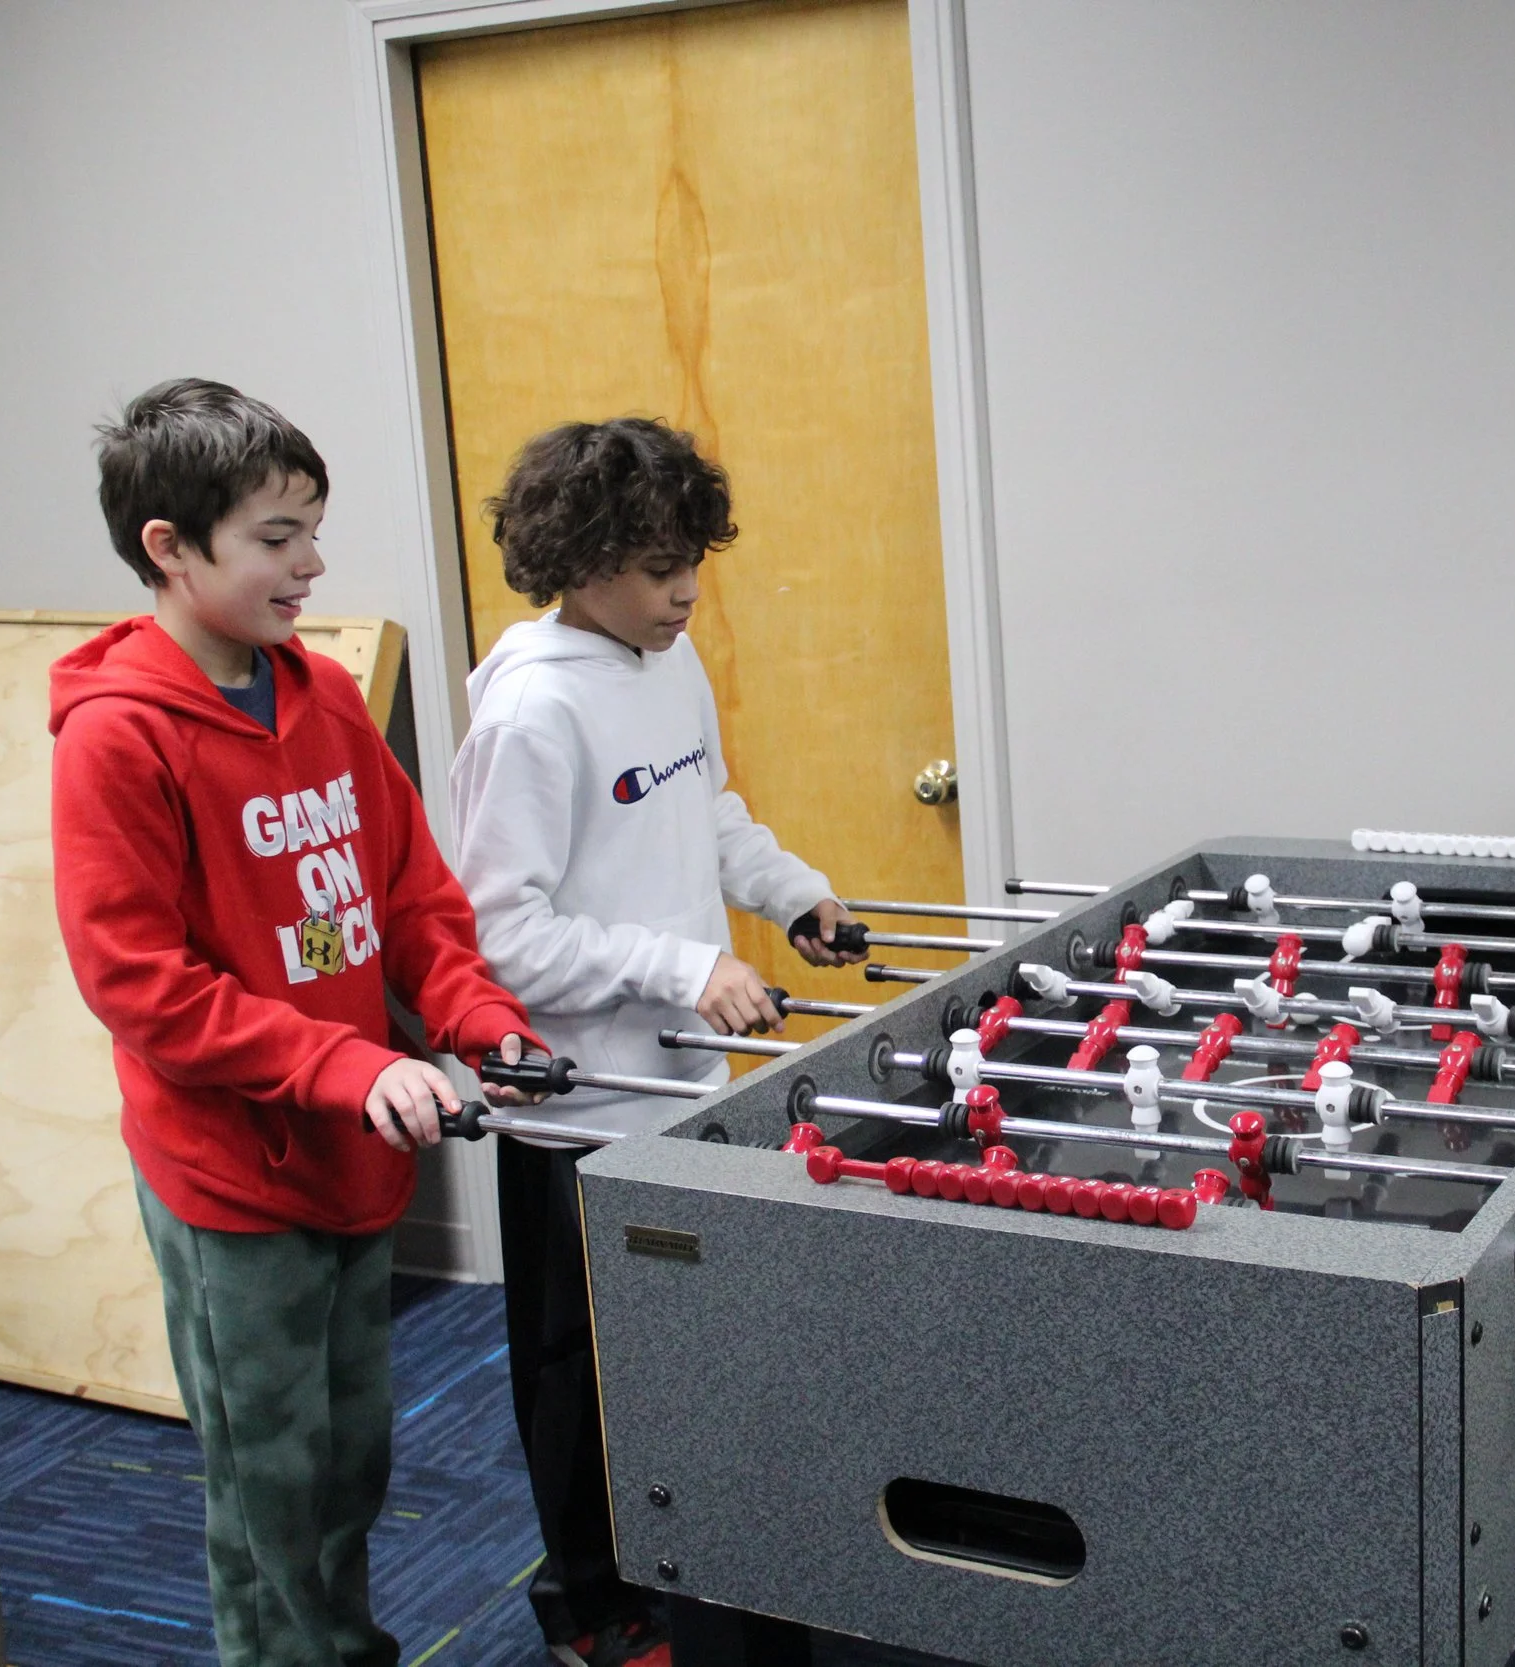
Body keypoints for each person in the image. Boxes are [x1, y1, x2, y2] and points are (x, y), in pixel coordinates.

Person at [52, 378, 544, 1667]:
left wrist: (476, 1017)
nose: (312, 563)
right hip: (231, 1174)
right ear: (170, 544)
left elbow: (409, 893)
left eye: (312, 529)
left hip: (351, 1151)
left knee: (351, 1450)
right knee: (267, 1474)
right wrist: (340, 1059)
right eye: (276, 537)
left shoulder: (319, 694)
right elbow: (137, 981)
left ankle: (343, 1645)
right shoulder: (117, 739)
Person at [449, 416, 864, 1667]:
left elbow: (709, 809)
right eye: (652, 563)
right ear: (579, 562)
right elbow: (502, 932)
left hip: (679, 1091)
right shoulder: (531, 711)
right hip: (576, 1111)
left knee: (678, 1360)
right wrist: (685, 965)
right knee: (577, 1376)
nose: (684, 588)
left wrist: (797, 893)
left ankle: (688, 1563)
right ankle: (586, 1608)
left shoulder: (664, 661)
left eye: (693, 557)